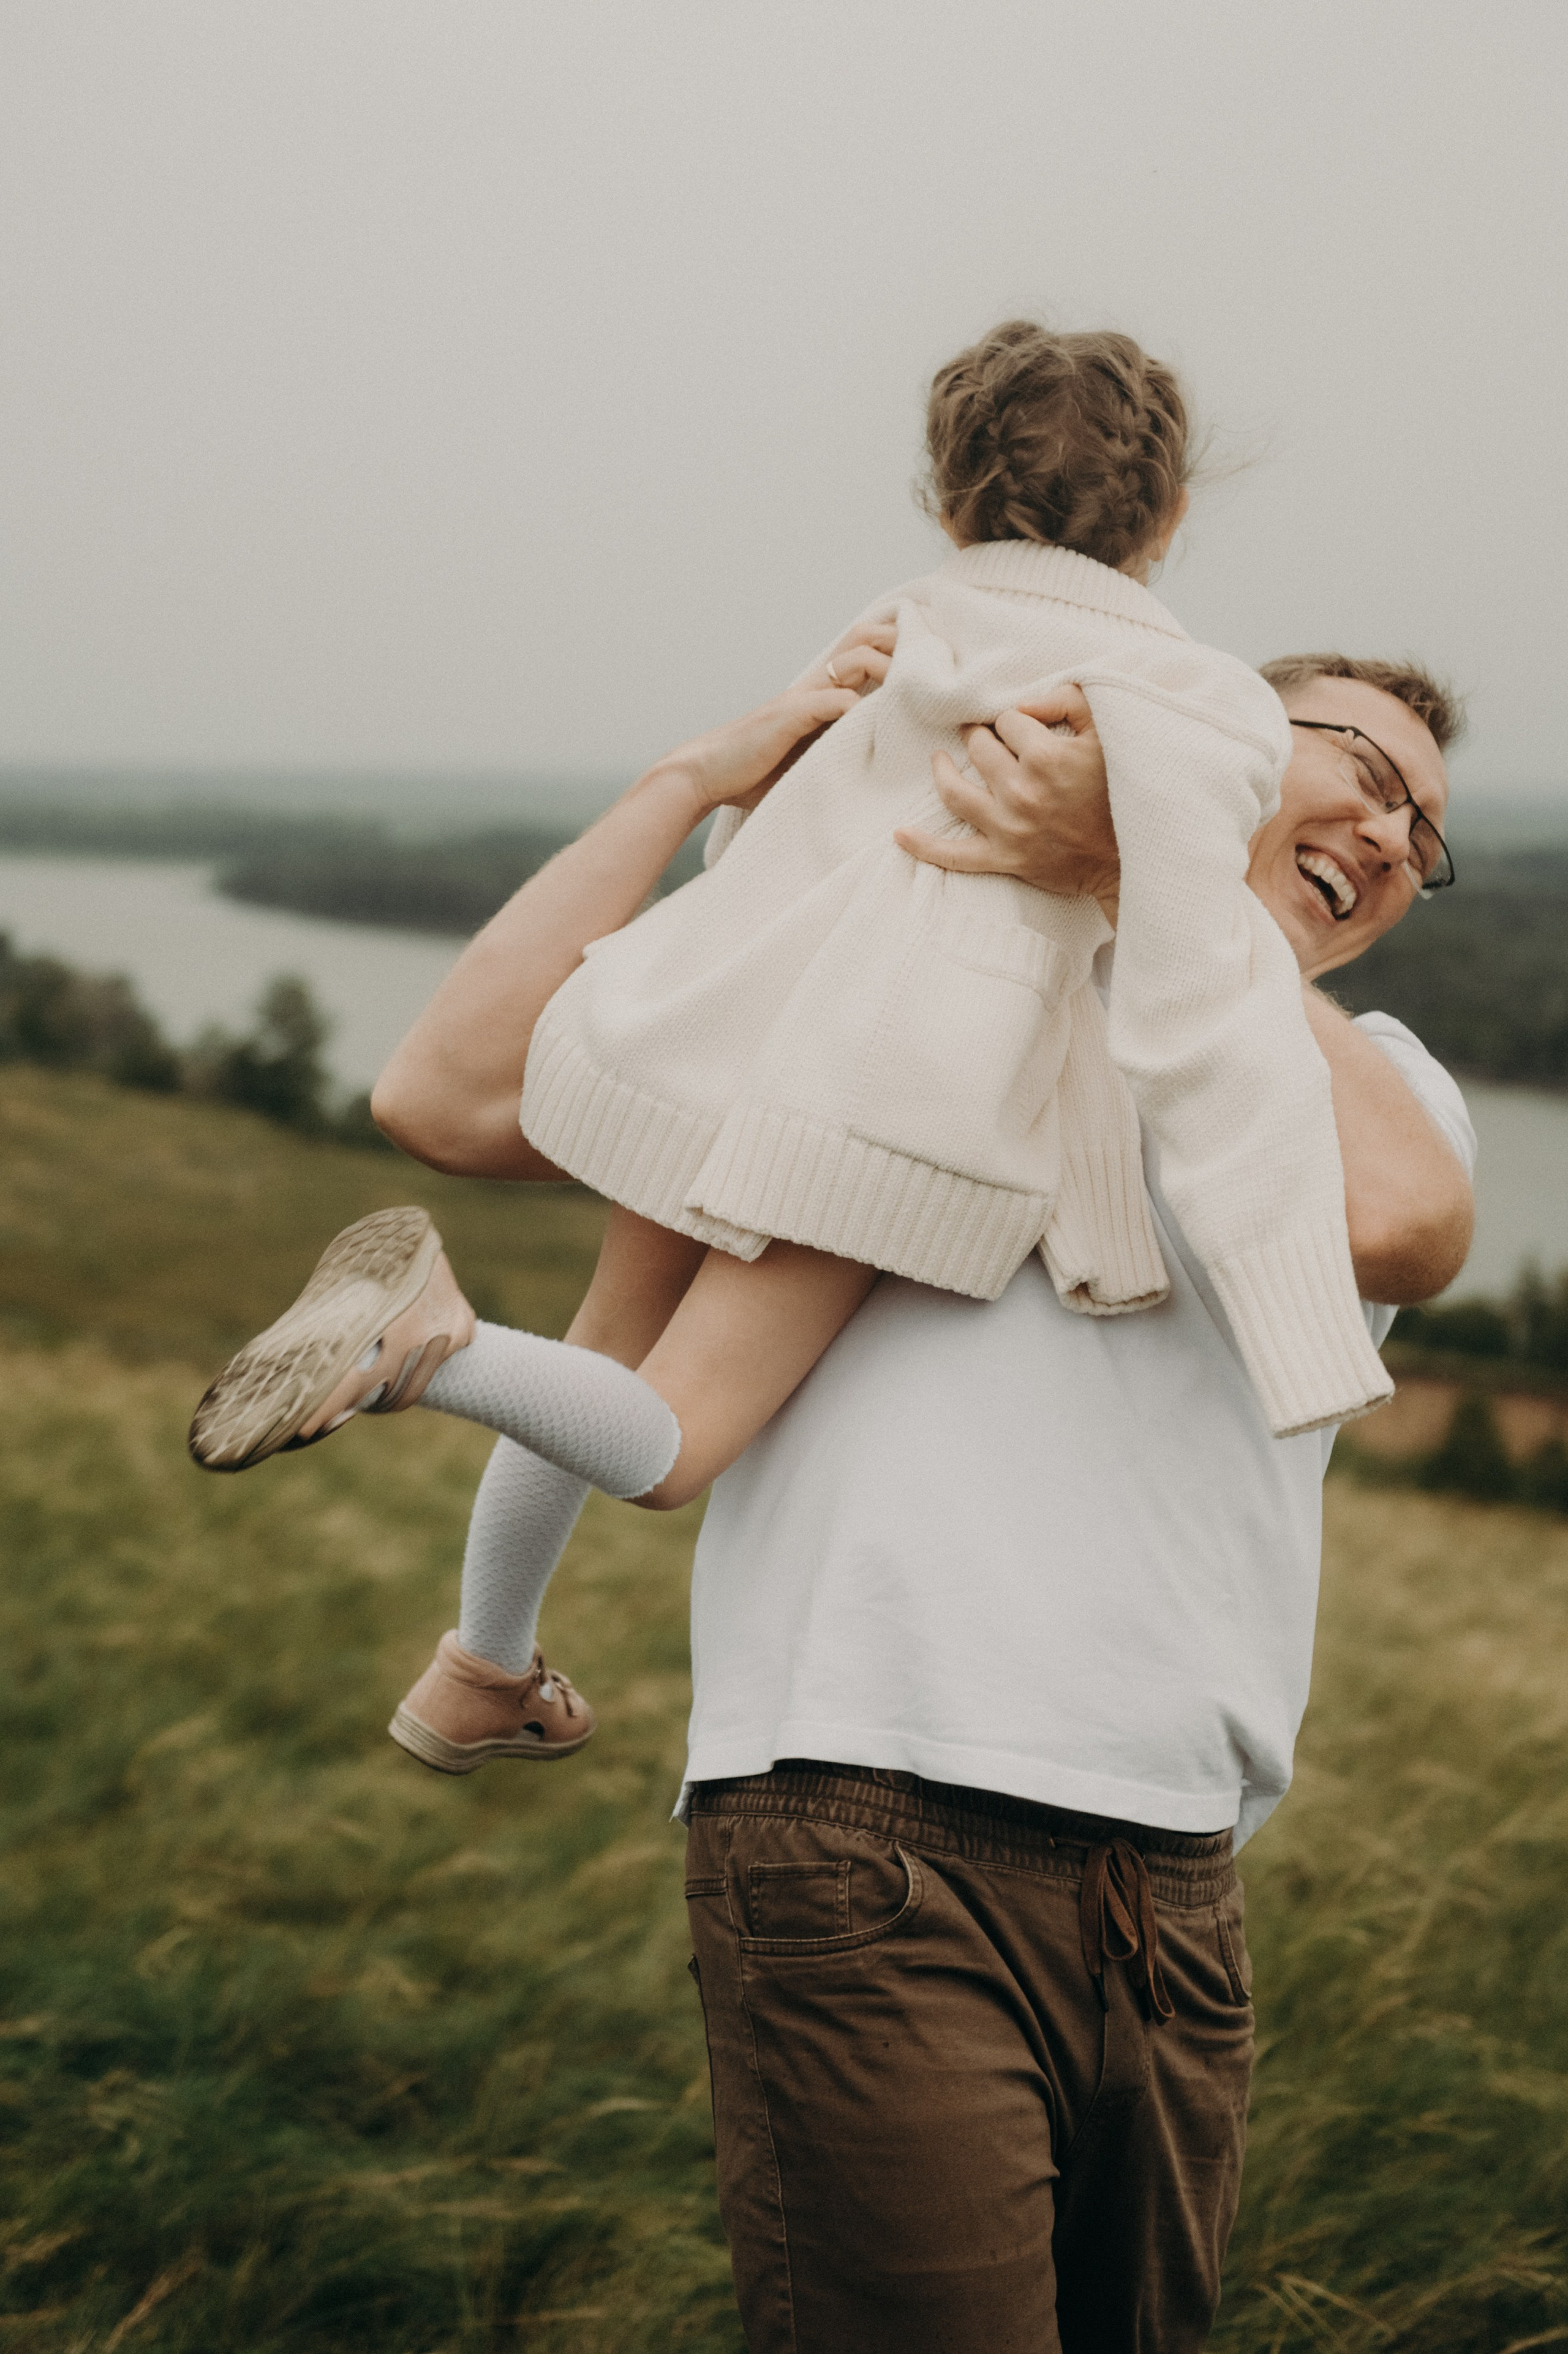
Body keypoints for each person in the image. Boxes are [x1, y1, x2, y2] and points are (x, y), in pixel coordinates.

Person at [378, 644, 1472, 2352]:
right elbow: (457, 1092)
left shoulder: (1375, 1067)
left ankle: (468, 1589)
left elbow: (1405, 1223)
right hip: (866, 1818)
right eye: (1368, 769)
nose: (1398, 836)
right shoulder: (909, 988)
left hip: (1178, 1882)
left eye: (1430, 827)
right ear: (1222, 744)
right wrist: (687, 783)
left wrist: (1147, 869)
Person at [187, 324, 1423, 1770]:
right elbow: (1187, 897)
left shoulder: (897, 622)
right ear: (1170, 515)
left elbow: (758, 821)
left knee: (603, 1342)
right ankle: (430, 1349)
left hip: (731, 1012)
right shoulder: (1199, 690)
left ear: (947, 491)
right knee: (671, 1434)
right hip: (894, 1086)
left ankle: (482, 1662)